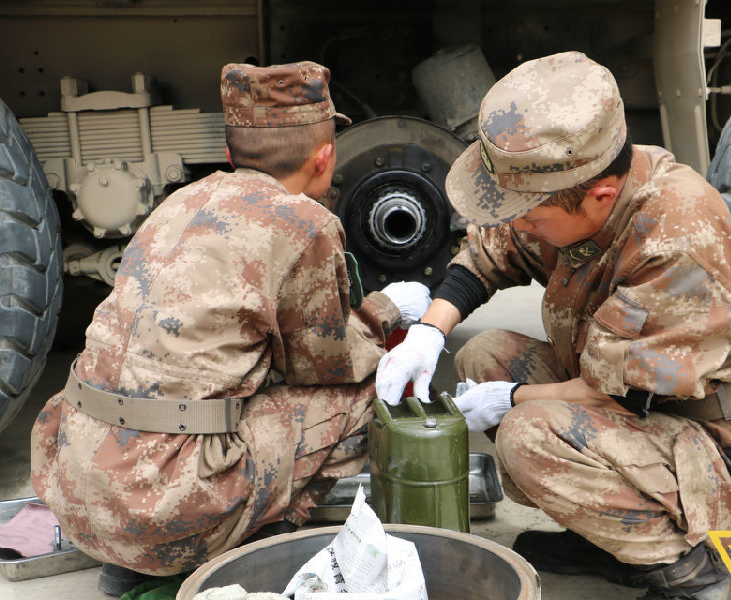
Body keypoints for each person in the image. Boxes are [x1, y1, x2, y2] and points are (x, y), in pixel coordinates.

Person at [376, 52, 731, 599]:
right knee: (484, 353)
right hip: (652, 416)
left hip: (729, 457)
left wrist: (513, 397)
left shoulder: (678, 242)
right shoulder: (572, 186)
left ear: (600, 197)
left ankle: (685, 568)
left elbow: (620, 396)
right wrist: (429, 331)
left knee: (526, 435)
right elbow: (496, 250)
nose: (523, 224)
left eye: (534, 216)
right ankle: (614, 534)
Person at [31, 61, 431, 596]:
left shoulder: (178, 203)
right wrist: (387, 311)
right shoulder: (303, 222)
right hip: (160, 507)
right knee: (365, 393)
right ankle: (243, 548)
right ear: (325, 157)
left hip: (75, 484)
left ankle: (132, 560)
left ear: (229, 154)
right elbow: (323, 365)